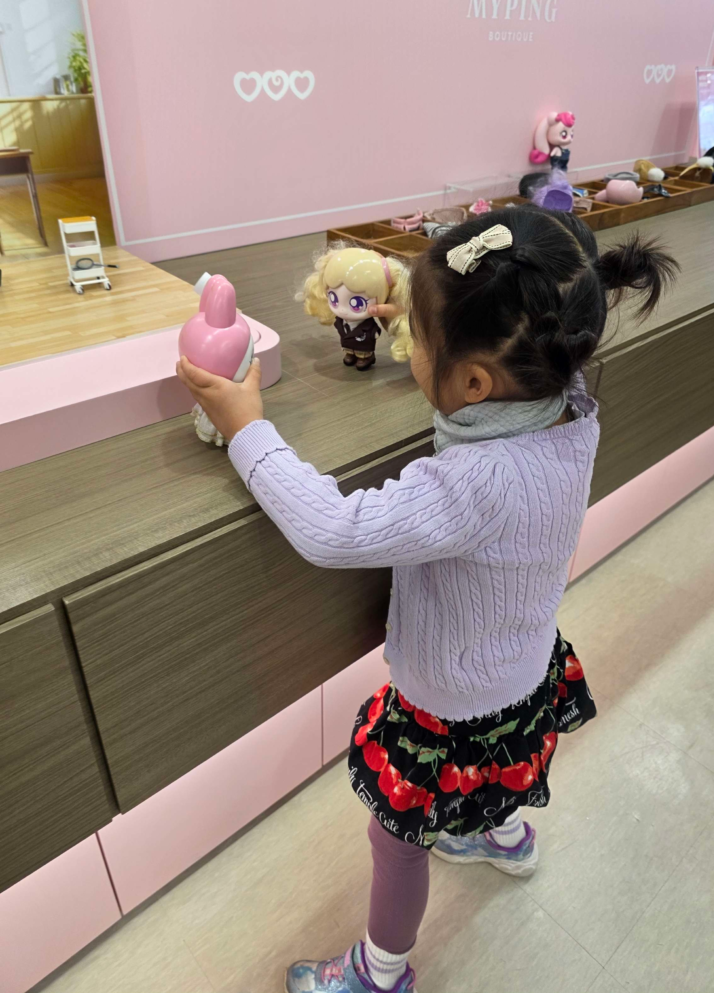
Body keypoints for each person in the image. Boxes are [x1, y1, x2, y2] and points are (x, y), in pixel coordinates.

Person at [177, 204, 678, 993]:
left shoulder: (475, 485)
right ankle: (503, 838)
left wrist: (247, 428)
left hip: (445, 702)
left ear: (476, 381)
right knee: (500, 767)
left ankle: (379, 973)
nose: (407, 351)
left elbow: (334, 532)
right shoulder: (573, 405)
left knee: (398, 843)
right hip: (525, 667)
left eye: (416, 340)